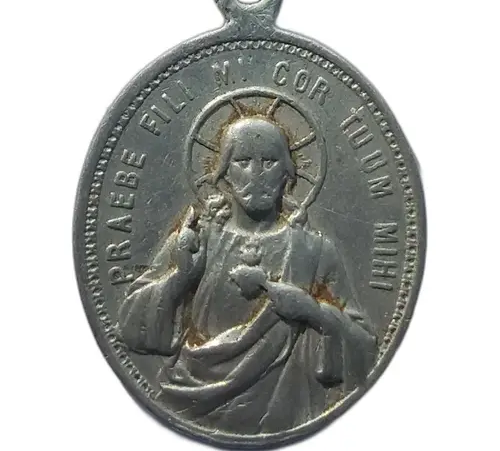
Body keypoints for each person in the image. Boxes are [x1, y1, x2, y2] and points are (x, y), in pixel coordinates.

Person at [118, 116, 376, 433]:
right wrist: (181, 278)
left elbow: (365, 347)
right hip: (189, 392)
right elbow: (129, 327)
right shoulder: (198, 239)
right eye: (243, 161)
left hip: (285, 406)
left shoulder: (314, 251)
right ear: (224, 172)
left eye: (269, 162)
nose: (257, 175)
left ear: (288, 172)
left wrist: (312, 311)